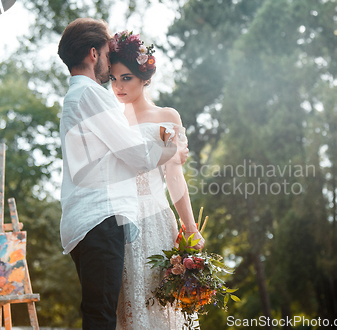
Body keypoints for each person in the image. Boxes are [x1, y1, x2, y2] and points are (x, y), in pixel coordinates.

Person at [57, 18, 190, 329]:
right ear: (93, 53)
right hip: (101, 219)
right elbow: (136, 153)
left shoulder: (77, 97)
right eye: (105, 55)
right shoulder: (91, 96)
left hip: (96, 220)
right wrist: (173, 149)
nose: (113, 79)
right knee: (103, 315)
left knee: (101, 312)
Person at [108, 31, 205, 329]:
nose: (119, 86)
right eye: (113, 79)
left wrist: (190, 227)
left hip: (158, 218)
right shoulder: (109, 118)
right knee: (129, 306)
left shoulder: (166, 117)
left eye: (126, 78)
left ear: (144, 77)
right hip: (120, 220)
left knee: (164, 302)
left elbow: (174, 175)